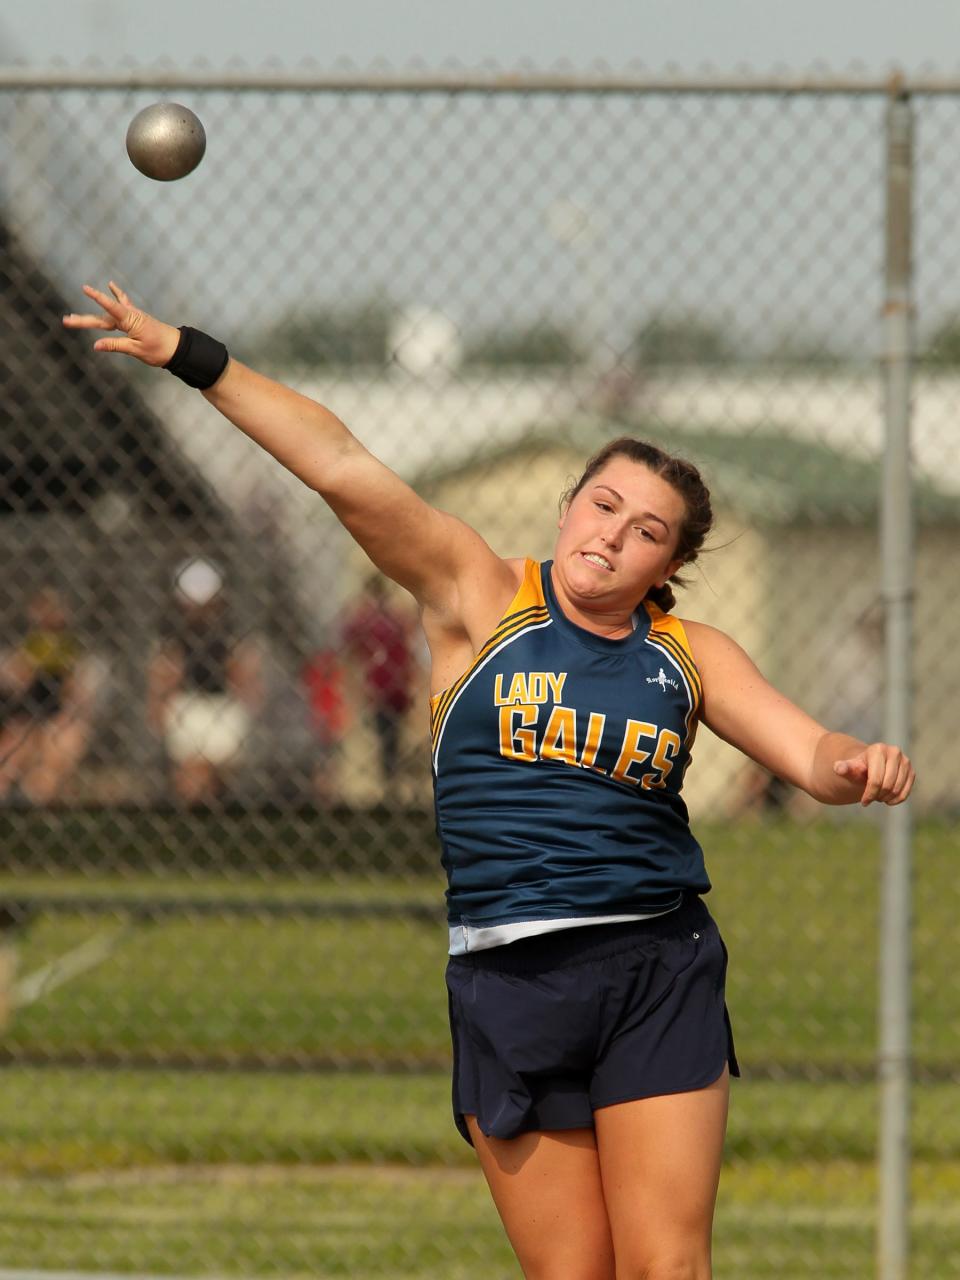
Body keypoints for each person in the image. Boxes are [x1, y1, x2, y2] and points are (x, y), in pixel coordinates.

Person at [63, 284, 915, 1280]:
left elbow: (807, 749)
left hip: (656, 964)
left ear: (671, 561)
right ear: (568, 505)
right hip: (511, 980)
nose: (611, 533)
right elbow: (340, 466)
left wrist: (854, 766)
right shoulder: (480, 593)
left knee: (668, 1266)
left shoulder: (689, 652)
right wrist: (187, 354)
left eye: (647, 529)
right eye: (603, 503)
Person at [147, 556, 263, 806]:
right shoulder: (171, 632)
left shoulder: (232, 631)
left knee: (219, 776)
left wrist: (248, 702)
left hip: (223, 705)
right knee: (193, 774)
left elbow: (245, 674)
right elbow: (163, 676)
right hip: (186, 704)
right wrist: (158, 706)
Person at [0, 587, 100, 804]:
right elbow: (15, 684)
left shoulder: (71, 648)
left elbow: (78, 694)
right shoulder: (27, 644)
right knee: (8, 761)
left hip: (57, 715)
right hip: (25, 715)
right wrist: (27, 664)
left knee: (49, 769)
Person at [340, 575, 416, 786]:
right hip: (392, 686)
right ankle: (390, 778)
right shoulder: (394, 619)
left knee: (386, 736)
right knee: (390, 737)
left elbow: (350, 647)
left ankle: (389, 778)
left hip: (381, 686)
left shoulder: (367, 620)